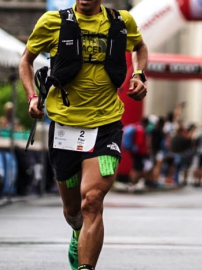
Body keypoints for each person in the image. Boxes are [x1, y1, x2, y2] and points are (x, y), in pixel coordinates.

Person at [19, 0, 148, 269]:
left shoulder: (121, 21)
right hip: (64, 126)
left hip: (106, 125)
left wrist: (139, 74)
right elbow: (26, 60)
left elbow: (140, 47)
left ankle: (85, 267)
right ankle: (77, 231)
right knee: (73, 210)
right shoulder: (52, 22)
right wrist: (32, 96)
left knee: (92, 201)